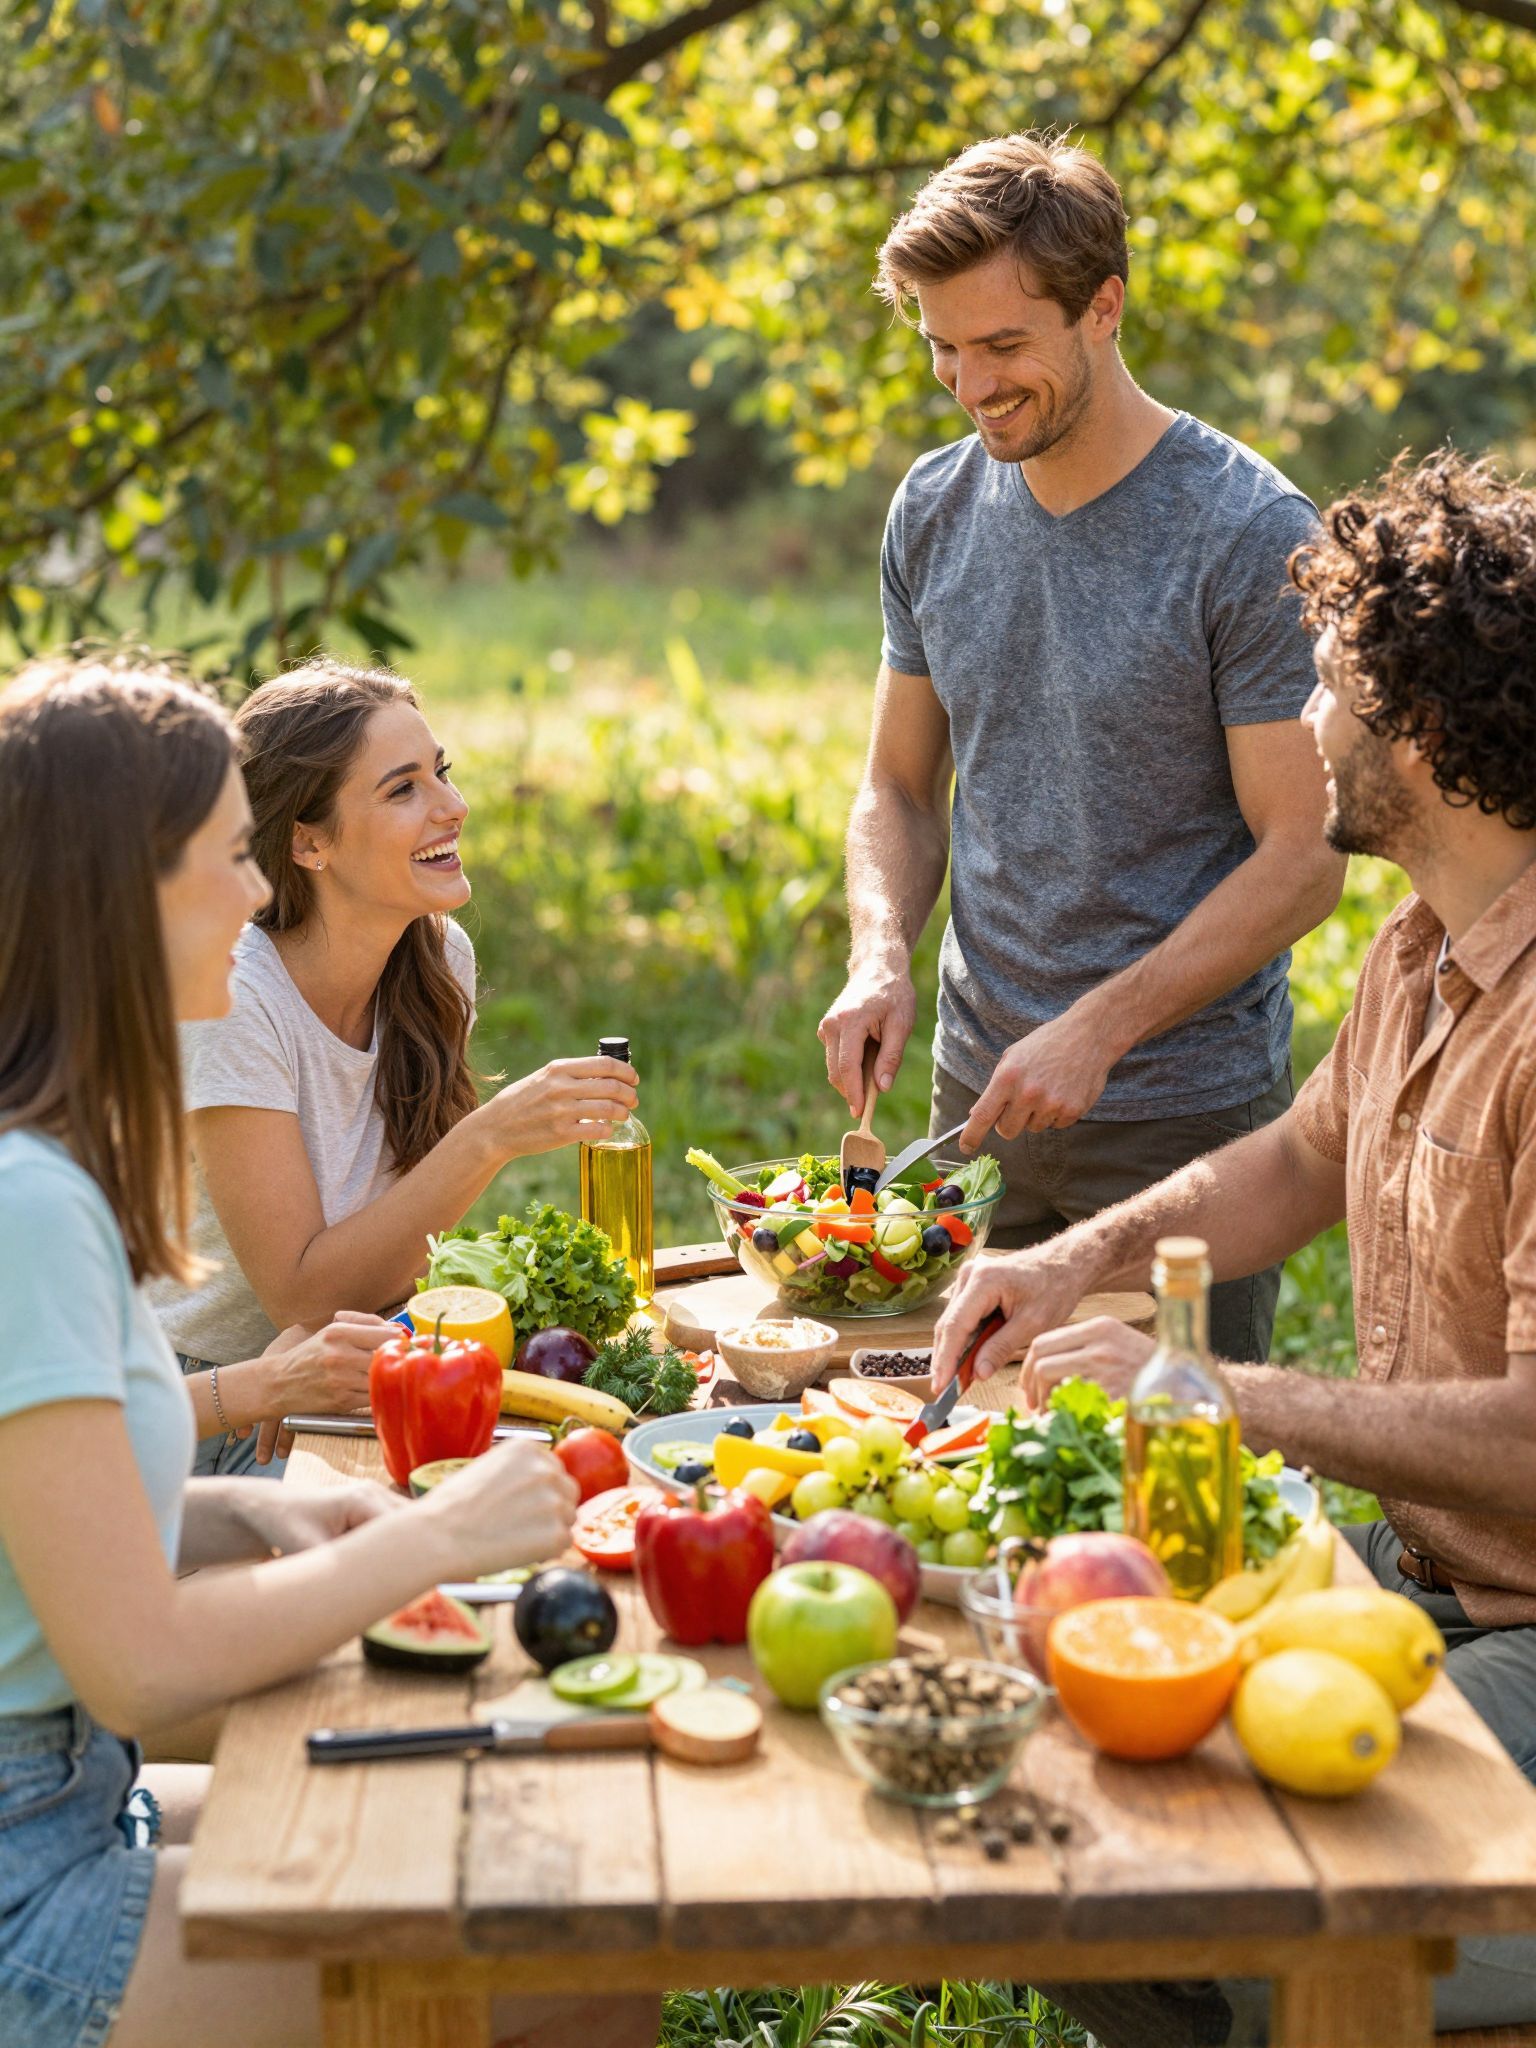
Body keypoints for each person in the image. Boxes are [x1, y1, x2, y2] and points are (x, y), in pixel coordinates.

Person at [932, 448, 1536, 2040]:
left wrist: (1212, 1392)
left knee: (1201, 1897)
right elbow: (1296, 1159)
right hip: (1431, 1581)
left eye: (1328, 687)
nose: (1306, 722)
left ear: (1425, 729)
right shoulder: (1419, 945)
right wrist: (1070, 1261)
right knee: (1055, 1809)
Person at [0, 649, 656, 2048]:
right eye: (226, 857)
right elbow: (137, 1664)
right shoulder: (32, 1204)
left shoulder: (54, 1160)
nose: (254, 899)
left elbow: (62, 1515)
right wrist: (429, 1539)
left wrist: (269, 1511)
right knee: (587, 1952)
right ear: (121, 893)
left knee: (480, 1826)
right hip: (28, 1877)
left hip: (72, 1796)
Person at [818, 131, 1343, 1362]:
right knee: (957, 1435)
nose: (970, 384)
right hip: (977, 1105)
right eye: (943, 347)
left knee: (1168, 1456)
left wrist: (1099, 1028)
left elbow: (1305, 857)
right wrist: (879, 952)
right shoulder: (933, 508)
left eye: (1004, 345)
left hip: (1181, 1123)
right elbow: (899, 785)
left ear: (1103, 307)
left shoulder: (1245, 531)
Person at [149, 658, 638, 1476]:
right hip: (214, 1404)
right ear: (308, 841)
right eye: (403, 789)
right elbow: (300, 1293)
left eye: (441, 772)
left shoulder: (438, 959)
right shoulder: (233, 996)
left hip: (358, 1354)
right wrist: (489, 1138)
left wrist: (374, 1332)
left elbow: (406, 1243)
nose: (454, 806)